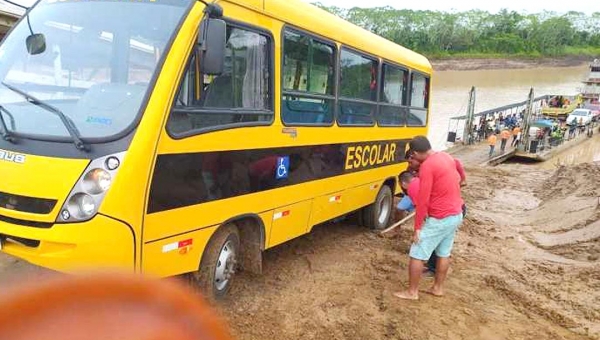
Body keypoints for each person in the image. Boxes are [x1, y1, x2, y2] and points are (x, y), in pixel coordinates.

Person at [394, 136, 464, 300]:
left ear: (417, 153)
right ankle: (438, 288)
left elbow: (423, 200)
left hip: (440, 217)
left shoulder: (428, 166)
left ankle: (412, 292)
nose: (412, 159)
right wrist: (463, 180)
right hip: (456, 213)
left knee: (417, 253)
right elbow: (459, 170)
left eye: (413, 155)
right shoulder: (445, 156)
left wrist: (417, 228)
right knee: (443, 253)